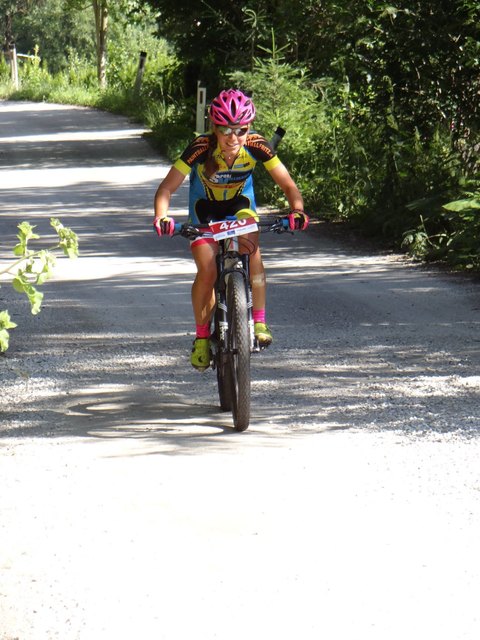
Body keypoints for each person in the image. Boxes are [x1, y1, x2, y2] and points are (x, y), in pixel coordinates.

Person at [153, 88, 309, 371]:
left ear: (249, 128)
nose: (233, 137)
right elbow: (166, 188)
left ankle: (259, 320)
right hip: (205, 210)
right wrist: (162, 216)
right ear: (215, 127)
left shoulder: (258, 146)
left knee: (253, 250)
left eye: (240, 129)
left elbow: (288, 185)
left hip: (240, 206)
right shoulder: (200, 147)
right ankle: (202, 338)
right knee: (209, 269)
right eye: (225, 130)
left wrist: (296, 210)